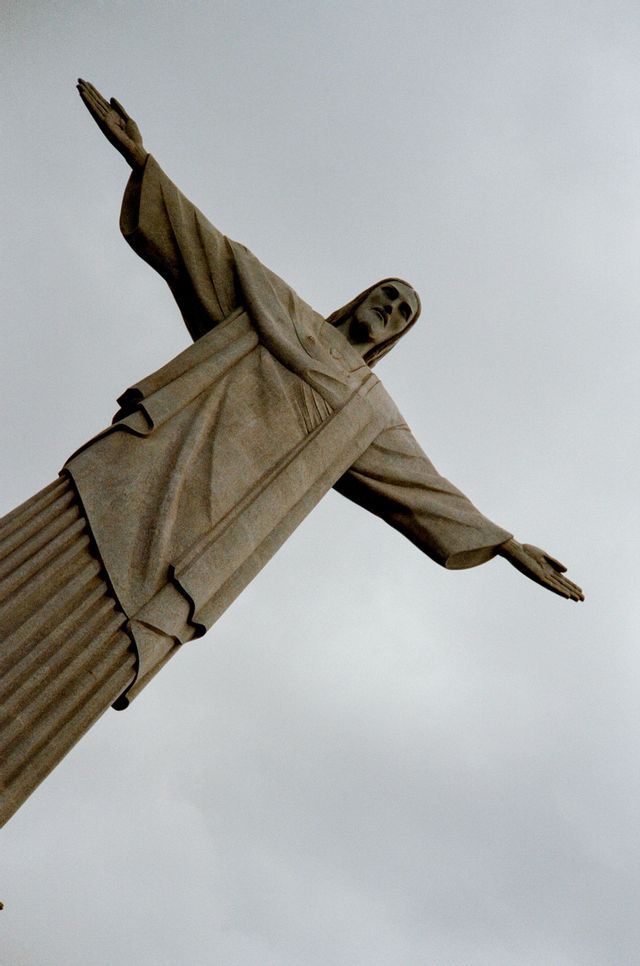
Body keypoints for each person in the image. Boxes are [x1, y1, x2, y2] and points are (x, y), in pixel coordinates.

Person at [0, 80, 582, 826]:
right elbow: (205, 245)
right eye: (387, 293)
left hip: (196, 549)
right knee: (34, 568)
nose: (389, 308)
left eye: (403, 310)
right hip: (140, 477)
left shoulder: (369, 415)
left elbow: (425, 490)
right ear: (361, 295)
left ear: (399, 335)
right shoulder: (279, 310)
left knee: (90, 651)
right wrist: (143, 162)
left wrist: (504, 544)